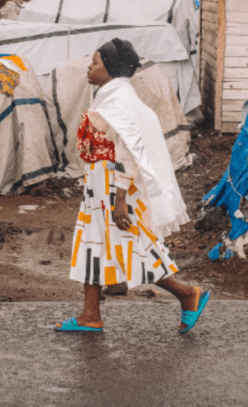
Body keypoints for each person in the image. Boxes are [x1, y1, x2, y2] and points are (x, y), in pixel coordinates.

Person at [55, 38, 210, 333]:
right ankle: (90, 315)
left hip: (113, 189)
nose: (90, 67)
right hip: (99, 187)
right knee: (94, 246)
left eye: (96, 62)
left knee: (134, 247)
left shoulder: (119, 101)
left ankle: (188, 293)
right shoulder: (112, 96)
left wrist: (120, 198)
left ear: (112, 67)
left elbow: (128, 150)